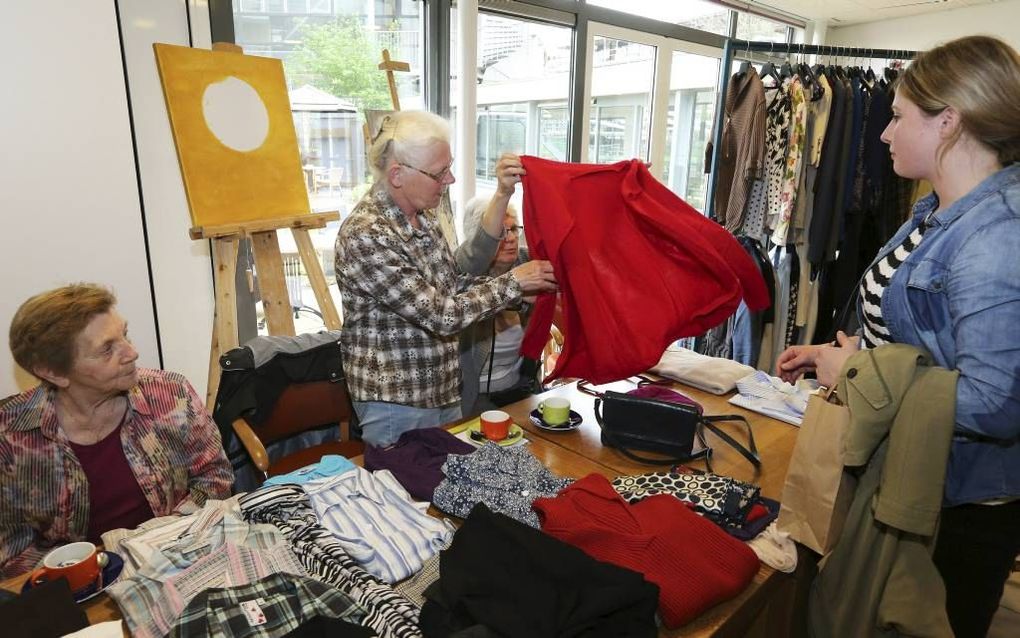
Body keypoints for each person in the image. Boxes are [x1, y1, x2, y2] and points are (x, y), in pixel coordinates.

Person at [776, 35, 1020, 637]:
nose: (884, 133)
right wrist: (841, 356)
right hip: (913, 478)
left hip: (956, 509)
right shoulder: (937, 209)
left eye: (897, 116)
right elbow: (922, 345)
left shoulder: (996, 239)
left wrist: (855, 376)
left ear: (948, 122)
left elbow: (998, 404)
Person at [334, 112, 557, 448]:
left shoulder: (422, 217)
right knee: (408, 498)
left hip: (442, 392)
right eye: (439, 173)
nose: (450, 179)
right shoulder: (367, 234)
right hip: (398, 405)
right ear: (397, 174)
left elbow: (452, 286)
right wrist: (512, 283)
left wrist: (517, 293)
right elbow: (440, 314)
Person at [0, 284, 233, 577]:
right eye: (107, 349)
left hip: (179, 558)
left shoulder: (171, 394)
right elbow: (11, 549)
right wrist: (86, 570)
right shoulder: (9, 436)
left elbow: (216, 477)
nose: (132, 352)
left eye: (125, 334)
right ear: (54, 373)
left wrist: (158, 541)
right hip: (77, 588)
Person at [457, 177, 538, 416]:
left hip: (522, 389)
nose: (511, 237)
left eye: (513, 229)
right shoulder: (464, 271)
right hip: (474, 398)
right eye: (501, 232)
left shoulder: (528, 262)